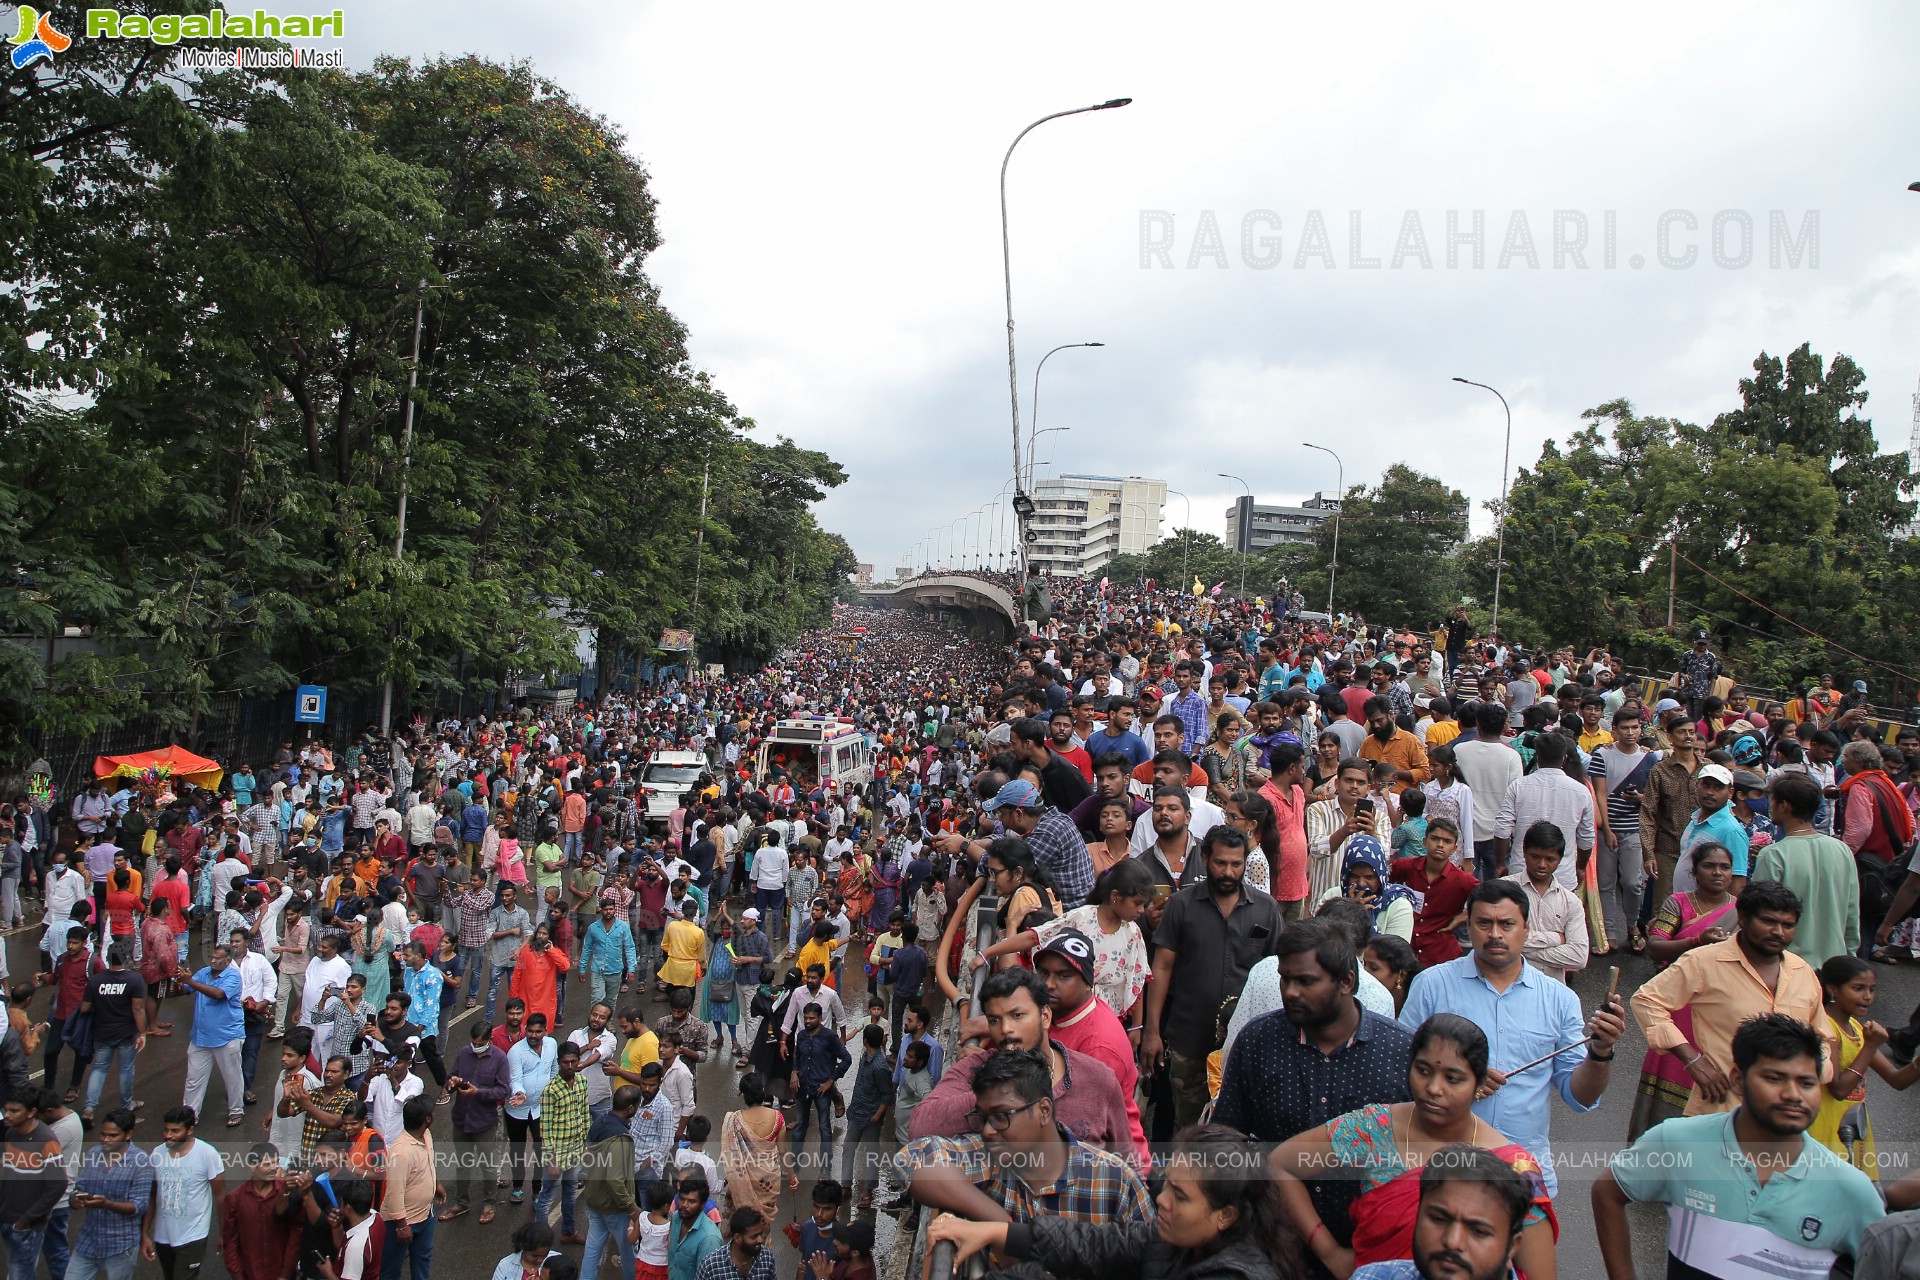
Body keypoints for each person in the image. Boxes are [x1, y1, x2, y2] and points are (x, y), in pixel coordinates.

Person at [1592, 1013, 1885, 1280]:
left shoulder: (1851, 1190)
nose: (1794, 1095)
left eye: (1806, 1083)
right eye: (1775, 1078)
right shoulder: (1677, 1142)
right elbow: (1608, 1192)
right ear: (1738, 1080)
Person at [1271, 1014, 1556, 1279]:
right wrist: (1330, 1253)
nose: (1433, 1088)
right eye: (1423, 1071)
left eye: (1453, 1078)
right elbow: (1280, 1164)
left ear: (1479, 1085)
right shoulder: (1375, 1127)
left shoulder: (1513, 1166)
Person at [1398, 880, 1626, 1195]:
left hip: (1524, 1175)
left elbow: (1580, 1097)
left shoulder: (1559, 999)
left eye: (1506, 924)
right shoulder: (1431, 985)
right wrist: (1457, 1082)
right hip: (1440, 1167)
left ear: (1526, 928)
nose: (1495, 934)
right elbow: (1398, 1071)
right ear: (1469, 924)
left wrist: (1601, 1052)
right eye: (1484, 923)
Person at [1213, 919, 1414, 1261]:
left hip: (1366, 1254)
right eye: (1285, 978)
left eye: (1306, 981)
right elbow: (1227, 1138)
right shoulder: (1257, 1042)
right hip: (1270, 1246)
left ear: (1346, 981)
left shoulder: (1399, 1052)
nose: (1290, 991)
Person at [926, 1122, 1299, 1280]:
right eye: (1166, 1187)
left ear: (1225, 1216)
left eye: (1180, 1197)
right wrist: (993, 1231)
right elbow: (1093, 1244)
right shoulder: (1174, 1240)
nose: (1162, 1203)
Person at [1631, 879, 1832, 1119]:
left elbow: (1822, 1036)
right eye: (1769, 921)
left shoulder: (1803, 972)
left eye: (1788, 925)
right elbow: (1646, 1000)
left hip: (1785, 1116)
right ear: (1743, 919)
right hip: (1718, 1109)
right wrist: (1692, 1060)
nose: (1779, 932)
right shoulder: (1703, 962)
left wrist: (1814, 1075)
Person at [903, 1047, 1153, 1227]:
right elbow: (910, 1160)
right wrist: (1003, 1224)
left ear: (1044, 1110)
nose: (988, 1130)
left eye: (1002, 1115)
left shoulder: (1116, 1184)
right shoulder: (991, 1160)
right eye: (983, 1117)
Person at [909, 966, 1134, 1154]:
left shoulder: (1098, 1079)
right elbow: (920, 1127)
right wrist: (994, 1096)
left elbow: (1125, 1159)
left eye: (1017, 1016)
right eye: (995, 1020)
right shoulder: (974, 1069)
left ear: (1045, 1017)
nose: (1006, 1029)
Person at [1143, 825, 1282, 1126]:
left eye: (1236, 864)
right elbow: (1162, 967)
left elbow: (1277, 971)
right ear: (1205, 859)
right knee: (1188, 1124)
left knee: (1238, 1126)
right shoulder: (1181, 905)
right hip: (1189, 1036)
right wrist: (1152, 1031)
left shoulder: (1266, 909)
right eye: (1221, 863)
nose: (1229, 872)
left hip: (1245, 1040)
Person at [1628, 841, 1739, 1140]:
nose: (1718, 873)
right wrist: (1696, 942)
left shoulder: (1742, 911)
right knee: (1675, 1069)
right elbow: (1654, 946)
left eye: (1724, 867)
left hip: (1718, 1008)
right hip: (1677, 1005)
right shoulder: (1678, 902)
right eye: (1709, 866)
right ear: (1694, 871)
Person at [1347, 1145, 1536, 1280]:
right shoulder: (1373, 1276)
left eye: (1479, 1231)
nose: (1452, 1242)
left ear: (1512, 1246)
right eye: (1438, 1219)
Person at [1809, 956, 1920, 1175]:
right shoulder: (1825, 1029)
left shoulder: (1856, 1028)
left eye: (1872, 989)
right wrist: (1870, 1047)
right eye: (1858, 988)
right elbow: (1839, 1089)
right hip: (1828, 1123)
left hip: (1853, 1122)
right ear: (1833, 990)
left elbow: (1896, 1080)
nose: (1868, 997)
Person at [1753, 769, 1860, 964]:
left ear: (1784, 806)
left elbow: (1760, 917)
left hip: (1788, 966)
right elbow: (1852, 912)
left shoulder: (1774, 855)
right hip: (1835, 963)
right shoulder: (1842, 850)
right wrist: (1849, 956)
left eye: (1773, 801)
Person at [1588, 705, 1659, 955]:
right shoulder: (1602, 756)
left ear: (1641, 729)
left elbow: (1654, 797)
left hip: (1635, 829)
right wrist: (1606, 829)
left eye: (1635, 727)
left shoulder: (1651, 758)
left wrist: (1640, 798)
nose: (1630, 733)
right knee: (1606, 883)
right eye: (1625, 728)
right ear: (1614, 730)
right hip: (1609, 829)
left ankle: (1632, 926)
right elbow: (1600, 794)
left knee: (1632, 883)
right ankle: (1609, 932)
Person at [67, 1108, 153, 1280]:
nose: (105, 1140)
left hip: (120, 1246)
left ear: (128, 1135)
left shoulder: (141, 1162)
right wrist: (74, 1199)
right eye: (103, 1134)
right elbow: (81, 1185)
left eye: (112, 1136)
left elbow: (139, 1205)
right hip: (88, 1241)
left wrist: (107, 1204)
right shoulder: (93, 1154)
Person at [143, 1105, 227, 1280]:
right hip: (163, 1237)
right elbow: (152, 1196)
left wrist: (224, 1233)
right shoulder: (157, 1154)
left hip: (193, 1237)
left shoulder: (207, 1154)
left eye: (175, 1130)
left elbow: (220, 1196)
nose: (168, 1135)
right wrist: (144, 1233)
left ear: (190, 1130)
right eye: (166, 1130)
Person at [1500, 822, 1589, 983]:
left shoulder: (1571, 902)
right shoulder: (1503, 890)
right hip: (1506, 986)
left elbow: (1579, 957)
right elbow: (1499, 938)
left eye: (1550, 859)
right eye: (1535, 856)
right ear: (1524, 852)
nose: (1542, 864)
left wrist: (1521, 951)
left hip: (1551, 991)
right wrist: (1555, 939)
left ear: (1560, 859)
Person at [443, 1019, 511, 1223]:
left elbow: (503, 1090)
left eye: (480, 1043)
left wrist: (478, 1092)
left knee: (488, 1165)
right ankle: (462, 1202)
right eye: (473, 1042)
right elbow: (452, 1075)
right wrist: (451, 1083)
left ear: (490, 1040)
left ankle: (489, 1202)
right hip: (462, 1118)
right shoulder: (464, 1053)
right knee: (462, 1163)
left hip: (484, 1120)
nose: (476, 1046)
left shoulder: (500, 1058)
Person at [1388, 817, 1477, 966]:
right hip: (1404, 948)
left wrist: (1463, 917)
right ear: (1425, 841)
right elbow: (1381, 884)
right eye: (1435, 838)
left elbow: (1488, 900)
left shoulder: (1463, 880)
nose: (1440, 845)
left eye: (1447, 841)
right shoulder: (1405, 867)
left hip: (1440, 951)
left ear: (1454, 848)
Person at [180, 945, 247, 1129]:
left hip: (227, 1036)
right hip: (200, 1037)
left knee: (232, 1077)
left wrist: (191, 982)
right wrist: (180, 979)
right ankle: (189, 1116)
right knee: (193, 1079)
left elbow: (219, 995)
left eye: (217, 959)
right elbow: (185, 988)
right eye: (212, 957)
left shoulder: (233, 976)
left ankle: (236, 1110)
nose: (213, 961)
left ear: (227, 961)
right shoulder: (204, 972)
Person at [0, 1090, 65, 1280]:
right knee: (14, 1270)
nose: (8, 1115)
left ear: (31, 1112)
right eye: (6, 1110)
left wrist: (25, 1221)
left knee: (22, 1275)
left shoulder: (46, 1140)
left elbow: (57, 1185)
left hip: (25, 1226)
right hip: (7, 1218)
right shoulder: (11, 1134)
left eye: (14, 1110)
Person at [578, 1084, 641, 1280]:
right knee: (629, 1251)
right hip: (614, 1207)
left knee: (593, 1247)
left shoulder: (599, 1122)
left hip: (594, 1199)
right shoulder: (620, 1138)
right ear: (631, 1108)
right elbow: (615, 1181)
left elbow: (586, 1158)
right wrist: (632, 1209)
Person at [80, 941, 147, 1120]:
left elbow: (84, 1008)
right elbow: (138, 1009)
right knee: (126, 1068)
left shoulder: (96, 981)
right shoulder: (134, 979)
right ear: (126, 958)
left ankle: (89, 1107)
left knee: (99, 1069)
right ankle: (126, 1104)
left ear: (107, 959)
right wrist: (142, 1032)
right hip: (126, 1033)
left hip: (102, 1033)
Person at [532, 1040, 590, 1244]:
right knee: (546, 1198)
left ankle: (568, 1231)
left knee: (570, 1194)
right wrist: (552, 1159)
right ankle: (539, 1241)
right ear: (559, 1062)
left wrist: (584, 1146)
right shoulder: (551, 1091)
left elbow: (585, 1114)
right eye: (566, 1062)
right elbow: (545, 1128)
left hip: (575, 1151)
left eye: (574, 1061)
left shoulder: (582, 1082)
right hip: (557, 1154)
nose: (570, 1066)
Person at [219, 1143, 299, 1280]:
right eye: (267, 1164)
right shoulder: (235, 1199)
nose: (274, 1168)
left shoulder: (288, 1192)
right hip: (249, 1273)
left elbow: (296, 1234)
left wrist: (286, 1274)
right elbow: (230, 1241)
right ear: (252, 1167)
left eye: (276, 1163)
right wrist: (238, 1275)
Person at [379, 1097, 437, 1280]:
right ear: (427, 1119)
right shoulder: (401, 1152)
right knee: (391, 1270)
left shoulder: (425, 1135)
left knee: (422, 1262)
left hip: (425, 1216)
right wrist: (402, 1226)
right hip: (401, 1223)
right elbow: (395, 1192)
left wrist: (437, 1185)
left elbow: (427, 1164)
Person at [504, 1011, 558, 1203]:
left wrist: (553, 1090)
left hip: (541, 1108)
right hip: (517, 1109)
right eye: (530, 1031)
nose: (533, 1036)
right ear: (525, 1030)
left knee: (540, 1149)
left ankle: (537, 1190)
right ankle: (518, 1186)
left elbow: (554, 1069)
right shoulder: (516, 1052)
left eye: (538, 1032)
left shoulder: (552, 1045)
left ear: (545, 1031)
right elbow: (515, 1079)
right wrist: (520, 1093)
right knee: (517, 1148)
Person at [666, 1175, 723, 1280]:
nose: (684, 1205)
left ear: (702, 1204)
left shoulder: (709, 1239)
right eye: (682, 1199)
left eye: (691, 1201)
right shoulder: (676, 1218)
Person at [696, 1208, 778, 1280]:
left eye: (761, 1234)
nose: (760, 1240)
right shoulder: (710, 1266)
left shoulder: (767, 1257)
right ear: (737, 1238)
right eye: (754, 1237)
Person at [1363, 936, 1421, 1016]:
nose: (1364, 972)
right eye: (1363, 964)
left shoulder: (1417, 1011)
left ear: (1401, 975)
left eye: (1374, 968)